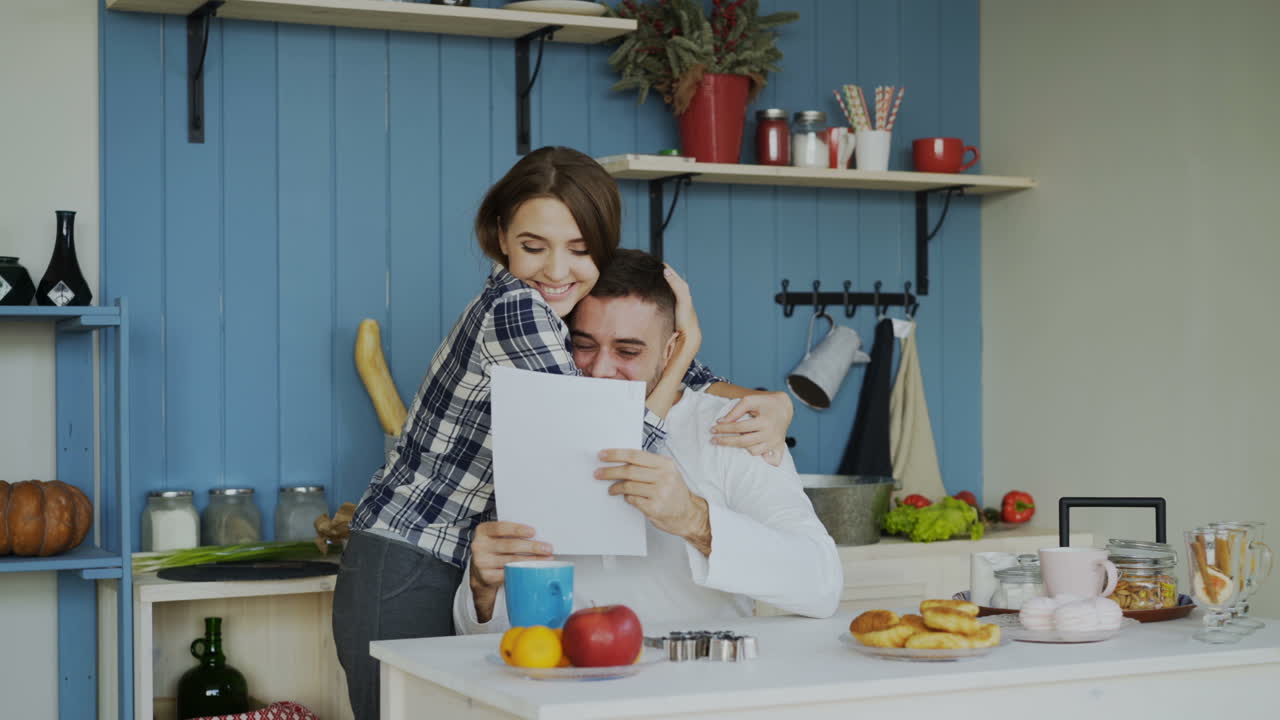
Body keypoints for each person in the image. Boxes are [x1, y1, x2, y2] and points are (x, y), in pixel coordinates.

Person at [332, 147, 794, 719]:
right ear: (501, 236)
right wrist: (686, 349)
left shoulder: (558, 310)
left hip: (444, 560)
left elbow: (666, 372)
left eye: (580, 250)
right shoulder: (517, 306)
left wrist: (770, 402)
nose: (556, 270)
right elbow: (609, 443)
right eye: (534, 247)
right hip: (407, 559)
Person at [455, 249, 842, 634]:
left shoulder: (732, 429)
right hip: (558, 685)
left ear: (672, 350)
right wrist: (481, 592)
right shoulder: (532, 426)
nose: (601, 370)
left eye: (628, 351)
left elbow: (821, 584)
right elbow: (479, 637)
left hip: (699, 683)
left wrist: (694, 519)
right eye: (584, 344)